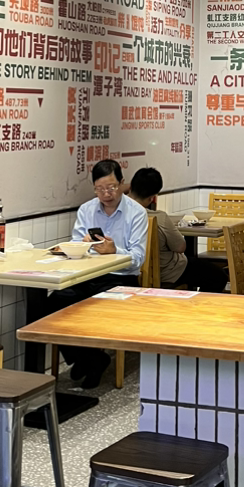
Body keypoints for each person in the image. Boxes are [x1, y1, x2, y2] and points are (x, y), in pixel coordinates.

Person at [52, 158, 148, 388]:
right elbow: (74, 245)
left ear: (122, 183)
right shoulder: (87, 210)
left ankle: (88, 358)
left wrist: (115, 251)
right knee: (53, 303)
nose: (106, 194)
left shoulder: (136, 213)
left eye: (111, 187)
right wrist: (83, 245)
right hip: (89, 276)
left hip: (122, 279)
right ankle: (90, 358)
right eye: (100, 189)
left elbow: (138, 257)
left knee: (96, 304)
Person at [128, 167, 228, 292]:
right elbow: (180, 247)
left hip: (133, 273)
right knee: (218, 276)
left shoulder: (118, 214)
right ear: (152, 197)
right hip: (169, 272)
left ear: (131, 187)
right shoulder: (159, 217)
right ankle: (196, 303)